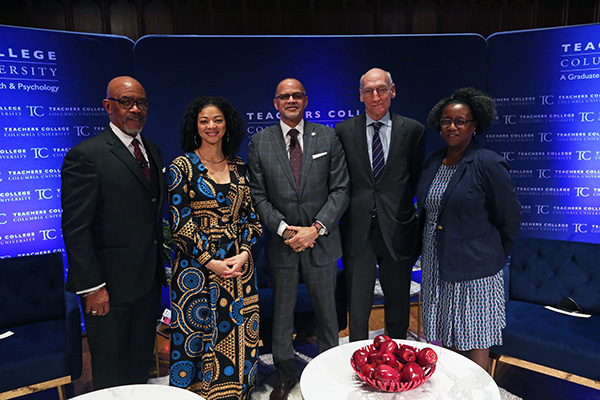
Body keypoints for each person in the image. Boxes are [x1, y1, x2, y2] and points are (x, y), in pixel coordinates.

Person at [61, 76, 167, 389]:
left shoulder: (153, 150)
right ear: (108, 106)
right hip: (107, 288)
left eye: (141, 102)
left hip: (147, 283)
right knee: (109, 371)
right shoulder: (86, 156)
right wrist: (92, 287)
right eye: (126, 102)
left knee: (138, 365)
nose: (135, 109)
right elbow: (76, 227)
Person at [247, 78, 350, 400]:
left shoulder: (328, 136)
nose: (291, 100)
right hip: (283, 244)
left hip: (321, 241)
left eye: (296, 95)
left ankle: (329, 371)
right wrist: (285, 230)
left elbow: (341, 189)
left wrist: (315, 228)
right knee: (282, 314)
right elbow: (257, 196)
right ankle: (285, 375)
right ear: (275, 103)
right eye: (284, 96)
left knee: (327, 314)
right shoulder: (259, 142)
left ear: (305, 100)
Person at [416, 87, 522, 371]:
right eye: (447, 121)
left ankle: (475, 391)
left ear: (473, 126)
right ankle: (453, 387)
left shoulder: (487, 162)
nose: (452, 126)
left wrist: (493, 256)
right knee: (447, 332)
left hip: (475, 268)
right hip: (437, 263)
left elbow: (510, 218)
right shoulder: (433, 162)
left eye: (460, 121)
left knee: (474, 337)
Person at [168, 96, 262, 400]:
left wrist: (245, 253)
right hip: (195, 273)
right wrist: (211, 261)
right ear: (195, 126)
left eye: (218, 120)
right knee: (195, 340)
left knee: (240, 340)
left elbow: (253, 220)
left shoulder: (240, 167)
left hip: (239, 271)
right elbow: (179, 224)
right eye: (204, 120)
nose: (211, 126)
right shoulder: (181, 167)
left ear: (227, 124)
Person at [335, 68, 425, 342]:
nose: (376, 96)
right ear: (361, 95)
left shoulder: (413, 130)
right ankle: (357, 358)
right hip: (358, 230)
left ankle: (397, 358)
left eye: (381, 89)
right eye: (369, 91)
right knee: (358, 305)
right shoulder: (343, 131)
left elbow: (415, 178)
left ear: (392, 90)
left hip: (398, 229)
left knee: (397, 303)